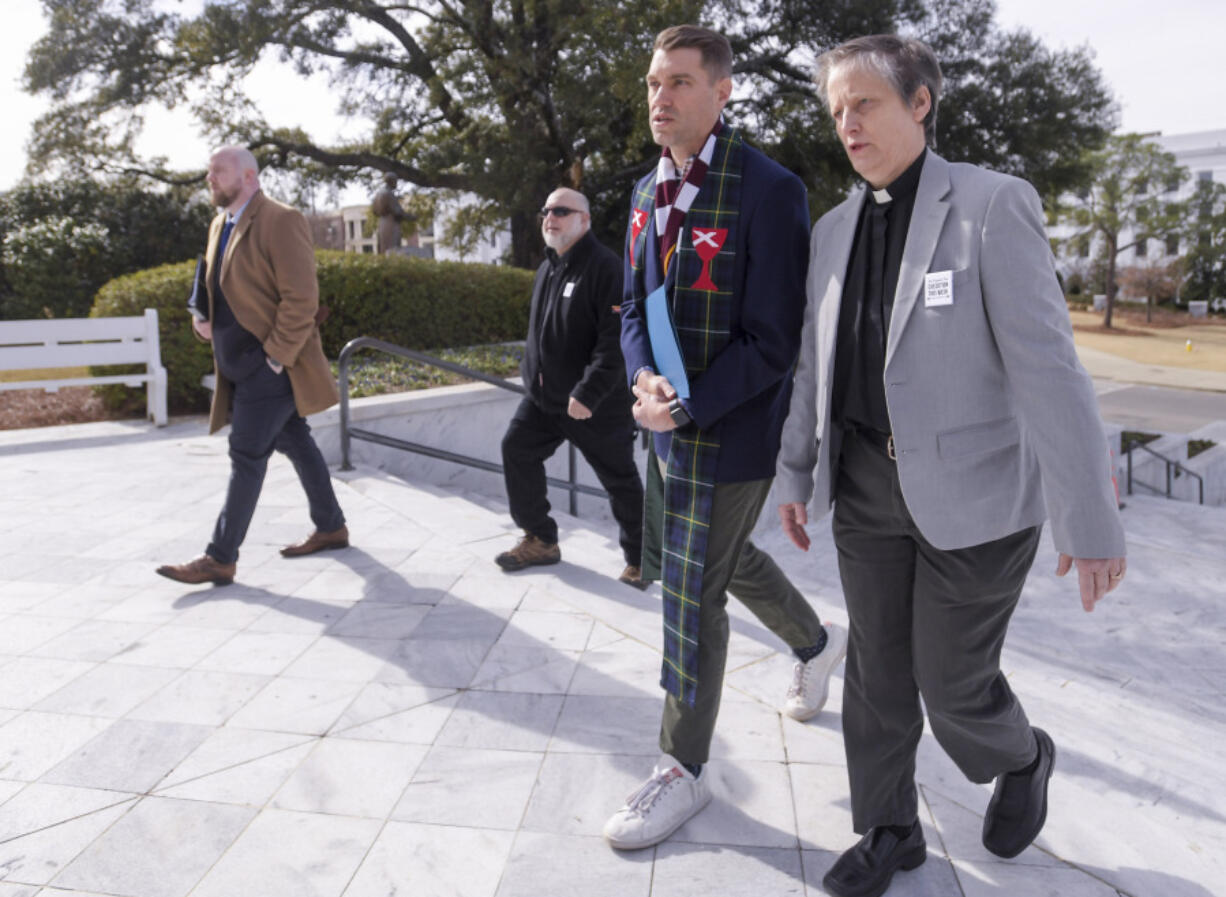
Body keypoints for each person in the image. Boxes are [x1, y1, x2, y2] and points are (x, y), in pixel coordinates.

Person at [774, 35, 1127, 897]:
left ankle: (1024, 752)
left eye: (865, 104)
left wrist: (1090, 516)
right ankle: (890, 828)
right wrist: (797, 471)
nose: (847, 124)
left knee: (952, 684)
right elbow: (812, 364)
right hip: (863, 486)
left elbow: (1049, 368)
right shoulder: (832, 230)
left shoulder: (991, 204)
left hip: (980, 496)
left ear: (920, 103)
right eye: (837, 111)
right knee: (878, 674)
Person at [603, 25, 846, 851]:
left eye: (677, 83)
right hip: (664, 422)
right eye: (651, 84)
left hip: (731, 430)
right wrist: (642, 380)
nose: (659, 99)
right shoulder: (644, 194)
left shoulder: (769, 189)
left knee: (690, 592)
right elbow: (634, 306)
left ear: (722, 90)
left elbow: (775, 339)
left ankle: (681, 767)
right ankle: (815, 641)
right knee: (719, 557)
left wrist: (691, 404)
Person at [157, 146, 349, 586]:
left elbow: (302, 299)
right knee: (296, 442)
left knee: (245, 454)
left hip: (271, 367)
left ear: (247, 176)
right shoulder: (218, 222)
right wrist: (199, 314)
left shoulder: (282, 219)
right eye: (209, 171)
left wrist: (276, 359)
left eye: (218, 172)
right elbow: (210, 278)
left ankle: (220, 557)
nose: (209, 179)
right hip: (237, 366)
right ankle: (331, 526)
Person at [494, 187, 646, 587]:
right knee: (516, 449)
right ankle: (541, 538)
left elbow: (615, 342)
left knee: (620, 481)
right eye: (545, 210)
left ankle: (643, 559)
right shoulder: (548, 266)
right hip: (545, 401)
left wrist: (588, 392)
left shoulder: (606, 268)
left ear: (585, 220)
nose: (550, 217)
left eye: (561, 210)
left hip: (593, 404)